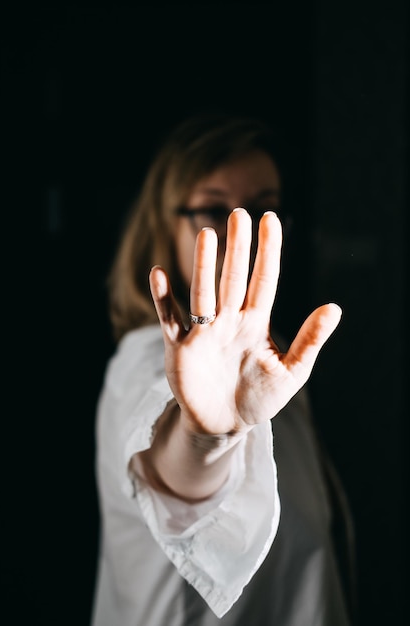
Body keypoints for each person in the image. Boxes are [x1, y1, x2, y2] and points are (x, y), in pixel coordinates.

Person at [91, 112, 355, 626]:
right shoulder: (144, 363)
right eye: (214, 209)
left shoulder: (268, 361)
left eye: (265, 210)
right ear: (163, 226)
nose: (246, 230)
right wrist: (204, 435)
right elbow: (172, 477)